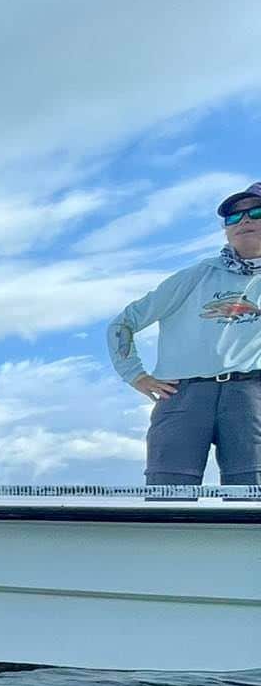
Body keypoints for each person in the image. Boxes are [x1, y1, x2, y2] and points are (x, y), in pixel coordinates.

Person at [105, 182, 261, 487]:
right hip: (183, 395)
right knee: (168, 491)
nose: (244, 221)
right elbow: (123, 324)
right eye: (233, 217)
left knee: (253, 494)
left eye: (256, 212)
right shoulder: (195, 276)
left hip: (252, 396)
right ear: (225, 229)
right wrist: (135, 374)